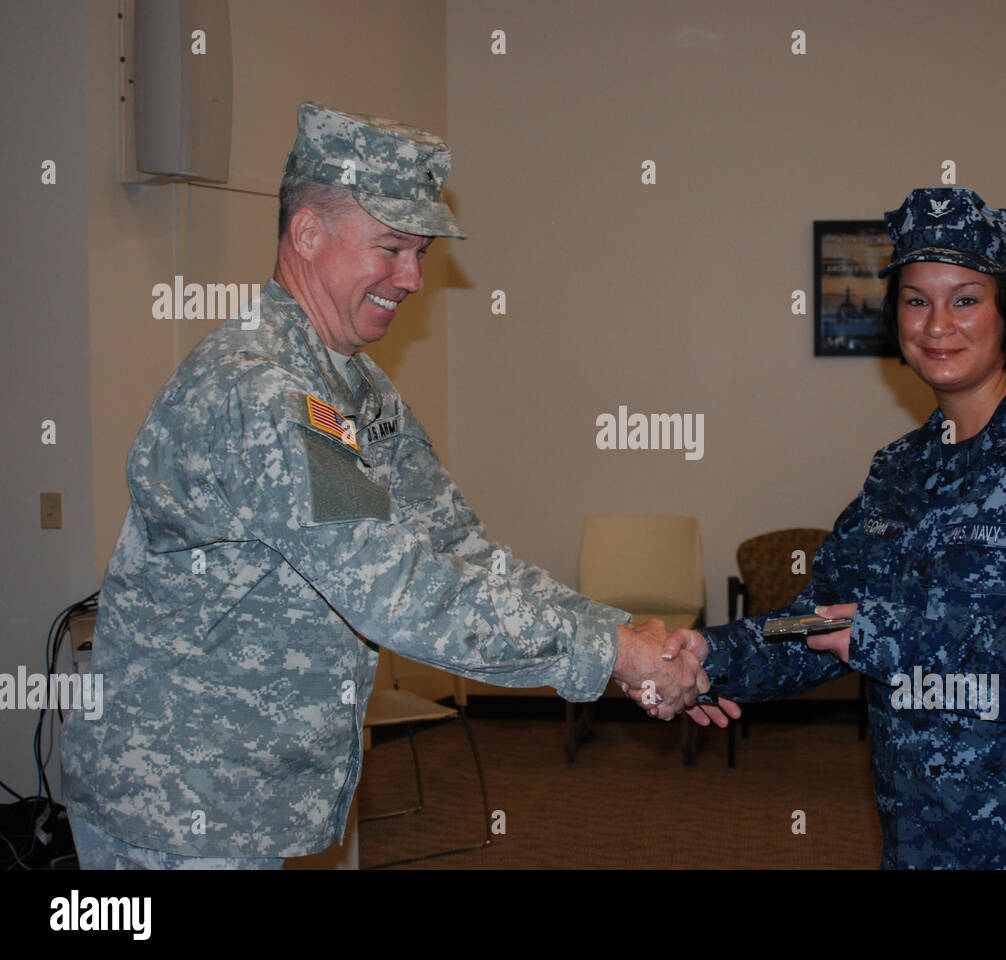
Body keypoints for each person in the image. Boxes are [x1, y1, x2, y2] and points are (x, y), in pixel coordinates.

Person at [60, 102, 713, 869]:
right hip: (176, 806)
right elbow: (399, 592)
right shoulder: (260, 392)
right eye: (392, 248)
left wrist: (629, 635)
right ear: (307, 233)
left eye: (422, 252)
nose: (414, 278)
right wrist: (615, 656)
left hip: (246, 803)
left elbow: (457, 549)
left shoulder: (352, 385)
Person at [663, 188, 1006, 868]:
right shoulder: (901, 470)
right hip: (929, 835)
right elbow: (825, 621)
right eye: (916, 300)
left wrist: (888, 636)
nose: (937, 324)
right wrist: (707, 657)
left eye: (965, 298)